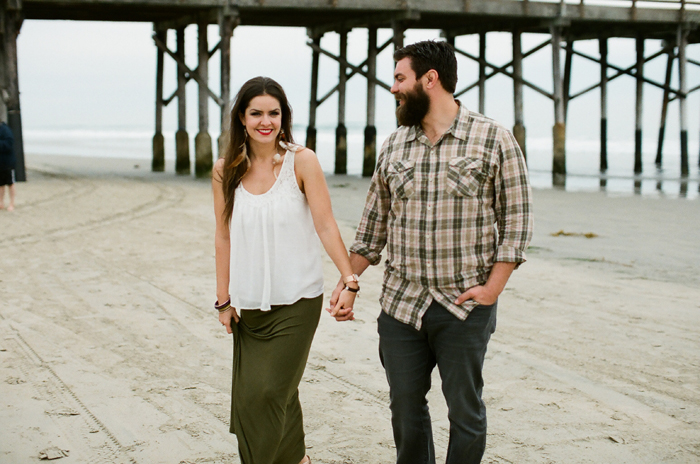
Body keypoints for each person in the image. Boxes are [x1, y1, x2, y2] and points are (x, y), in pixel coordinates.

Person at [329, 41, 533, 463]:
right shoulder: (394, 145)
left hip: (463, 306)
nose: (393, 88)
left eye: (400, 78)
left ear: (430, 79)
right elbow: (372, 230)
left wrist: (492, 290)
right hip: (401, 306)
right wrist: (348, 283)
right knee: (405, 408)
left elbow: (516, 223)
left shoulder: (494, 139)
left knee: (465, 412)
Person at [212, 76, 359, 464]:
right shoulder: (225, 170)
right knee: (267, 395)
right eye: (256, 113)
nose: (266, 121)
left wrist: (349, 279)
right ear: (241, 118)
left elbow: (325, 224)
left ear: (283, 117)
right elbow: (223, 237)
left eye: (273, 113)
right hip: (250, 305)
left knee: (265, 394)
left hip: (297, 300)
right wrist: (223, 300)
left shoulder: (302, 160)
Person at [0, 121, 16, 212]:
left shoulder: (5, 129)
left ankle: (11, 203)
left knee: (10, 183)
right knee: (0, 184)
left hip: (8, 162)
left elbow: (9, 143)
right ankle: (1, 202)